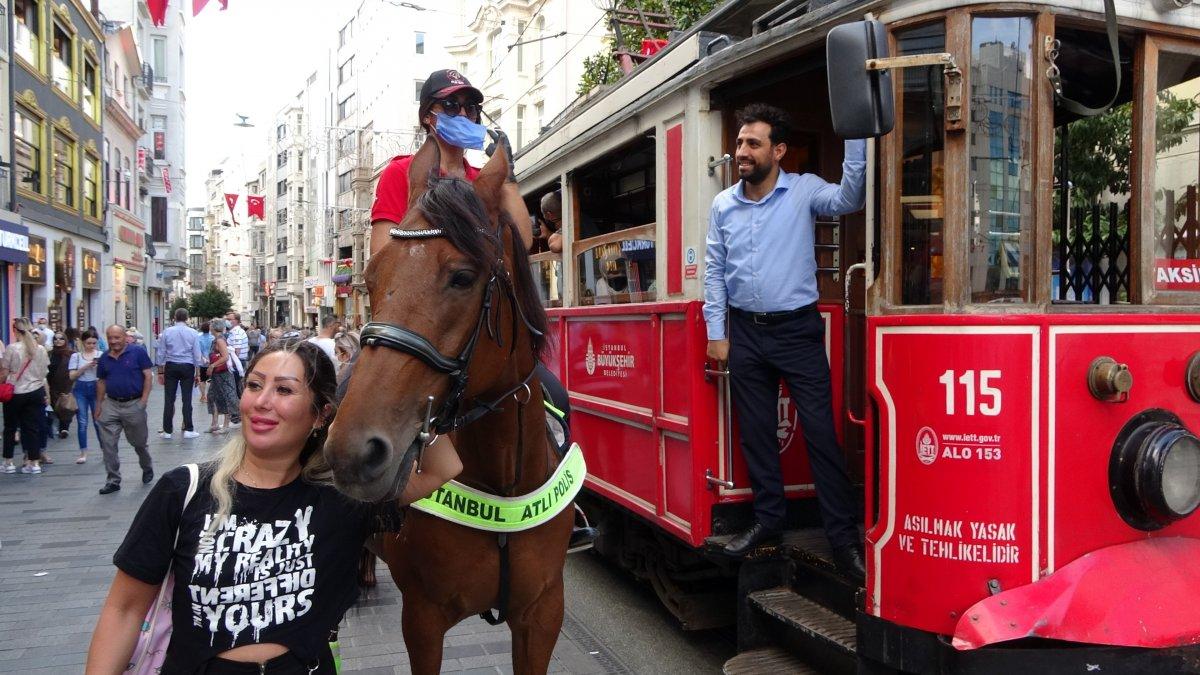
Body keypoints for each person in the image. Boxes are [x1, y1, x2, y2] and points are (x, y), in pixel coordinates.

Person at [87, 341, 462, 674]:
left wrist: (409, 379)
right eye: (254, 385)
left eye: (284, 389)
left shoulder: (341, 499)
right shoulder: (183, 490)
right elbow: (124, 611)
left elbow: (445, 467)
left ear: (320, 415)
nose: (262, 401)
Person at [703, 104, 866, 577]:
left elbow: (850, 197)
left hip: (797, 332)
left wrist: (854, 132)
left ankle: (843, 539)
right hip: (744, 333)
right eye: (739, 143)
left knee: (821, 436)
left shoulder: (805, 190)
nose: (742, 153)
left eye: (753, 144)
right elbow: (714, 271)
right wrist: (718, 333)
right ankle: (768, 522)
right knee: (756, 435)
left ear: (778, 150)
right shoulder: (723, 205)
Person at [369, 68, 531, 257]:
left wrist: (507, 176)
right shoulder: (400, 172)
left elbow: (523, 243)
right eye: (450, 105)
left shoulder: (484, 180)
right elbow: (382, 253)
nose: (462, 114)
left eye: (470, 108)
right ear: (427, 116)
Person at [95, 324, 155, 495]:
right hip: (111, 404)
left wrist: (143, 401)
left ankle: (147, 466)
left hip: (133, 404)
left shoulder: (137, 352)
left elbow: (147, 376)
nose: (113, 341)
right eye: (110, 338)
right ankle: (113, 480)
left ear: (124, 337)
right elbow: (101, 382)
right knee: (108, 445)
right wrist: (99, 405)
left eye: (117, 337)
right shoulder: (105, 357)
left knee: (139, 443)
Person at [0, 317, 50, 474]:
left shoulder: (12, 348)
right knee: (32, 428)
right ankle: (33, 462)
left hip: (15, 392)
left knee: (10, 427)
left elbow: (4, 372)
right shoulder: (40, 349)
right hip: (35, 391)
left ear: (15, 330)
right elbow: (44, 373)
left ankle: (8, 462)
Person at [156, 308, 204, 440]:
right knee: (187, 398)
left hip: (171, 365)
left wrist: (160, 370)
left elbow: (161, 352)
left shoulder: (167, 332)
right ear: (187, 318)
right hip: (187, 366)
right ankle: (189, 429)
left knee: (169, 399)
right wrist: (198, 372)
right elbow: (196, 354)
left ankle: (167, 431)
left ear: (174, 317)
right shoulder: (193, 333)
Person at [69, 330, 103, 464]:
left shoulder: (101, 355)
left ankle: (104, 449)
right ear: (83, 343)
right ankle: (83, 452)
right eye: (88, 343)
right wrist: (86, 366)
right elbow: (72, 376)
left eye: (94, 343)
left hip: (96, 387)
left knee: (98, 421)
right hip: (81, 389)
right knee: (82, 422)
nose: (91, 345)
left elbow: (106, 374)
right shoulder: (76, 356)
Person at [205, 319, 238, 435]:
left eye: (211, 326)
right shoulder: (216, 340)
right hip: (217, 374)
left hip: (223, 374)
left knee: (225, 397)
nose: (209, 328)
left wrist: (212, 366)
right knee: (212, 397)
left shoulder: (220, 340)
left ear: (214, 328)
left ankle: (225, 425)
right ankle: (214, 424)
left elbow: (225, 357)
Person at [48, 331, 76, 442]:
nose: (58, 340)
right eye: (55, 339)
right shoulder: (49, 354)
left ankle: (64, 428)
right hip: (52, 384)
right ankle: (56, 425)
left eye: (61, 338)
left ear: (65, 340)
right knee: (54, 406)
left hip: (66, 384)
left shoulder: (71, 354)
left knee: (65, 406)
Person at [540, 190, 564, 255]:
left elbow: (555, 245)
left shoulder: (570, 221)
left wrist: (547, 233)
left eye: (543, 214)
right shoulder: (582, 217)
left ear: (550, 215)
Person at [197, 321, 214, 403]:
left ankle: (203, 395)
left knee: (202, 379)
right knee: (211, 379)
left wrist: (203, 358)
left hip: (202, 361)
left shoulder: (198, 337)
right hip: (212, 361)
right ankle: (209, 395)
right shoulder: (213, 338)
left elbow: (198, 350)